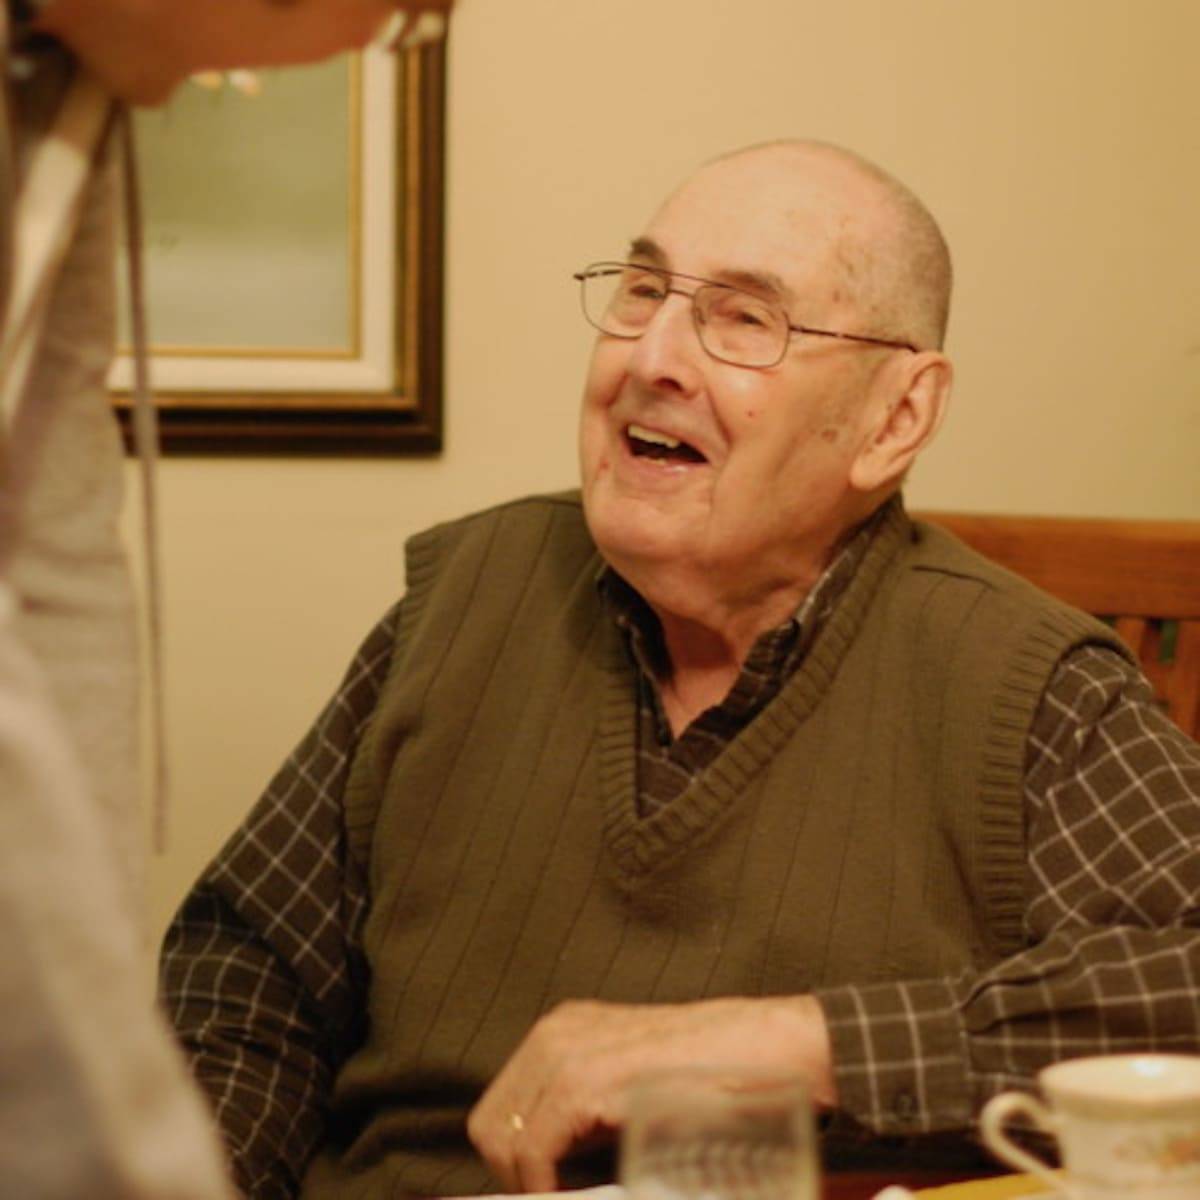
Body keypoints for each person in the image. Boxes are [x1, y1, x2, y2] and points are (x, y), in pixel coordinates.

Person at [160, 139, 1200, 1198]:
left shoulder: (1023, 684)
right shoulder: (464, 598)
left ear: (897, 418)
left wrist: (800, 1046)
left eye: (744, 317)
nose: (650, 357)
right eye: (643, 290)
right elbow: (244, 976)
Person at [0, 3, 452, 1197]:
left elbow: (52, 563)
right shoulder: (461, 609)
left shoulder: (71, 78)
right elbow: (245, 958)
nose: (365, 40)